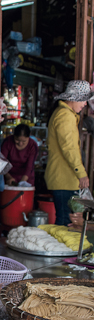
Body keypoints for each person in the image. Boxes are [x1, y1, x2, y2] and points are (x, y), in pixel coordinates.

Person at [45, 80, 94, 226]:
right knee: (66, 221)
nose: (85, 104)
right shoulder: (64, 116)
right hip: (63, 179)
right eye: (84, 99)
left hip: (66, 179)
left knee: (70, 221)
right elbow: (69, 148)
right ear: (75, 98)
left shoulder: (67, 114)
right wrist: (81, 172)